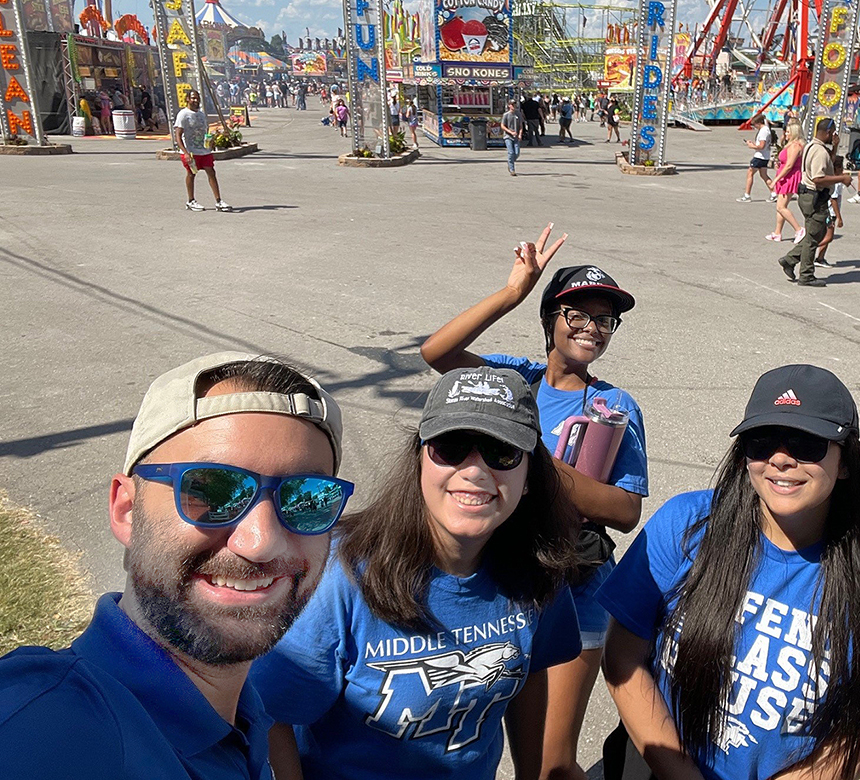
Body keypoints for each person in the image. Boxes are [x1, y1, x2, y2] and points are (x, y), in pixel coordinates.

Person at [0, 352, 351, 778]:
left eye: (307, 499)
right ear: (127, 510)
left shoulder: (244, 709)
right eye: (211, 491)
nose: (261, 542)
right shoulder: (43, 727)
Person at [598, 364, 860, 780]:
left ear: (845, 461)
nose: (779, 458)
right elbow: (622, 654)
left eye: (806, 442)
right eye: (761, 440)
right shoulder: (686, 524)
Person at [251, 366, 582, 780]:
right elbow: (271, 716)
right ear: (420, 460)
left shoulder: (537, 572)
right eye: (452, 446)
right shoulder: (342, 575)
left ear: (529, 476)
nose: (475, 471)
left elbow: (530, 673)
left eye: (502, 451)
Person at [420, 230, 649, 780]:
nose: (591, 327)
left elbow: (624, 510)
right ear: (550, 319)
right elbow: (438, 353)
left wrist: (535, 466)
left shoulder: (614, 405)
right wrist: (512, 292)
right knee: (461, 736)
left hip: (574, 590)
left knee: (547, 765)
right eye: (578, 313)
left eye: (604, 318)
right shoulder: (513, 380)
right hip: (499, 581)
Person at [779, 118, 852, 287]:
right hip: (813, 195)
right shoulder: (818, 151)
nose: (834, 135)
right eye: (833, 133)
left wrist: (834, 147)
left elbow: (828, 165)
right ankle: (806, 275)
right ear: (827, 133)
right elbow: (819, 179)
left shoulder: (814, 146)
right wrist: (843, 178)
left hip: (809, 194)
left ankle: (789, 260)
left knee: (817, 234)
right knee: (814, 237)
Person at [174, 91, 231, 213]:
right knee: (191, 173)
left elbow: (205, 131)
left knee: (211, 172)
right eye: (193, 98)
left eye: (197, 98)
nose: (196, 101)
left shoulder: (201, 114)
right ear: (188, 99)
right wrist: (185, 152)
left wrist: (211, 142)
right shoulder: (183, 115)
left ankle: (218, 201)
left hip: (204, 150)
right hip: (191, 151)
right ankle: (191, 200)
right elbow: (178, 135)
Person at [766, 121, 805, 241]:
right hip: (784, 175)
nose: (786, 134)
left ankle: (799, 229)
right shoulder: (791, 144)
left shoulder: (795, 146)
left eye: (788, 132)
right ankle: (777, 232)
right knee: (781, 205)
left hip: (789, 177)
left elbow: (789, 165)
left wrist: (775, 180)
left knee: (781, 207)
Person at [815, 156, 848, 268]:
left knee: (825, 236)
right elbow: (833, 200)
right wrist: (839, 217)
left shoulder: (830, 178)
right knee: (829, 237)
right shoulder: (837, 182)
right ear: (837, 168)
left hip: (826, 211)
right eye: (841, 167)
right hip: (830, 213)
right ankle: (808, 250)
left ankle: (820, 258)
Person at [738, 115, 775, 203]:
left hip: (760, 156)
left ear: (759, 123)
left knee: (750, 173)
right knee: (763, 175)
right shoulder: (766, 130)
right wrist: (754, 144)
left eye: (754, 125)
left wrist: (751, 146)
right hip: (765, 156)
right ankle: (774, 193)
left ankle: (747, 195)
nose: (754, 127)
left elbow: (761, 146)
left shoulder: (763, 131)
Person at [502, 99, 522, 176]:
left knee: (516, 153)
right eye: (512, 104)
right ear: (509, 105)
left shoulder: (518, 114)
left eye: (514, 104)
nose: (513, 106)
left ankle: (510, 162)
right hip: (508, 136)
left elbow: (520, 125)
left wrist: (520, 134)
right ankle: (512, 169)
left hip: (516, 137)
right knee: (511, 152)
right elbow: (502, 126)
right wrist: (510, 132)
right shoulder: (506, 115)